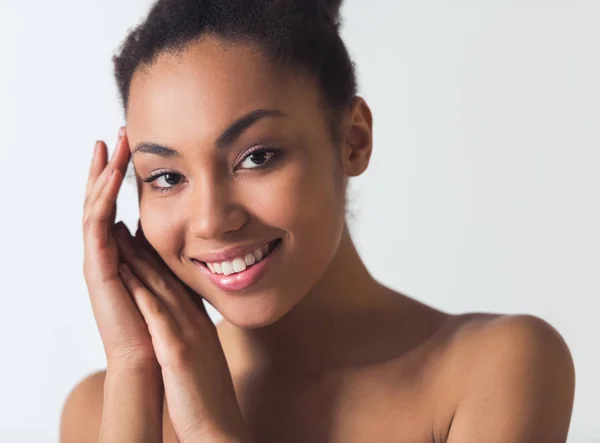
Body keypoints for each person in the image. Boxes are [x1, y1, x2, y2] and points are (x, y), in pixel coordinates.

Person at [60, 0, 576, 442]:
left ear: (352, 141)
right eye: (167, 178)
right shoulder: (98, 410)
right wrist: (132, 368)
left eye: (257, 156)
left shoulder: (493, 370)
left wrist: (209, 431)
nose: (212, 221)